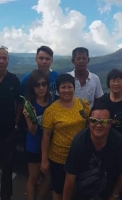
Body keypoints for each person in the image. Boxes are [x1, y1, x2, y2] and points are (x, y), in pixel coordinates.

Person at [63, 103, 122, 200]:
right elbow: (70, 176)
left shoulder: (120, 142)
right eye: (94, 121)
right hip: (82, 193)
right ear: (88, 123)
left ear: (110, 123)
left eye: (103, 121)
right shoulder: (79, 141)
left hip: (110, 192)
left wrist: (114, 195)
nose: (98, 125)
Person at [40, 74, 90, 200]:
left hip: (81, 154)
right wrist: (44, 160)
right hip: (58, 157)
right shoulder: (51, 110)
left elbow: (89, 125)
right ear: (57, 89)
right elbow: (46, 136)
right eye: (63, 87)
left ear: (74, 88)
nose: (66, 90)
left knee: (79, 187)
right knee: (58, 188)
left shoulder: (82, 104)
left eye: (69, 87)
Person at [96, 69, 122, 200]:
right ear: (108, 83)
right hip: (105, 143)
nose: (116, 83)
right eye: (113, 80)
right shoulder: (103, 100)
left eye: (119, 80)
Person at [23, 69, 52, 200]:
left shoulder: (51, 100)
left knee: (48, 177)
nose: (41, 88)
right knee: (33, 178)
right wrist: (32, 118)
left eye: (44, 84)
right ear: (32, 87)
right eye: (37, 85)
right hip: (34, 147)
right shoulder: (29, 104)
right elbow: (32, 131)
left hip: (50, 146)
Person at [0, 45, 23, 200]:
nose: (1, 61)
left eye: (4, 58)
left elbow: (20, 103)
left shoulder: (13, 80)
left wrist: (16, 124)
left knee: (7, 167)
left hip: (8, 132)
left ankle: (5, 196)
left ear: (8, 61)